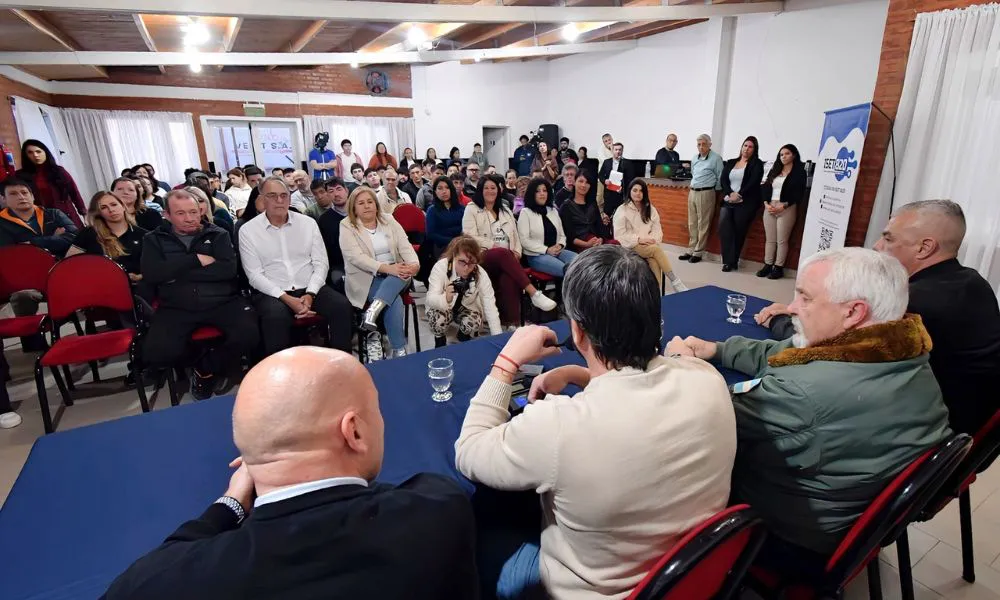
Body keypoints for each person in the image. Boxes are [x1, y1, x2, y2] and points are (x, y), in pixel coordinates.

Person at [456, 245, 736, 599]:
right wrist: (582, 375)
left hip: (590, 591)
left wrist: (506, 361)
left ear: (578, 332)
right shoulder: (707, 378)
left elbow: (468, 451)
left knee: (476, 533)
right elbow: (639, 400)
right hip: (686, 577)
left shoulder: (558, 425)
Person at [103, 346, 479, 600]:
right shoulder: (437, 510)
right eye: (375, 411)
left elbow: (158, 566)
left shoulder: (169, 581)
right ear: (354, 432)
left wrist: (231, 503)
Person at [667, 247, 951, 576]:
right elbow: (789, 352)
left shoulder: (803, 396)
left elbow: (704, 418)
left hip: (794, 536)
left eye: (805, 297)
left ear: (853, 312)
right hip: (856, 515)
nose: (791, 308)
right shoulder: (898, 347)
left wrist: (680, 364)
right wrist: (718, 349)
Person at [760, 200, 1000, 436]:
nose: (876, 246)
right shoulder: (974, 282)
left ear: (924, 248)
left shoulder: (912, 302)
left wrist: (780, 319)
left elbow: (823, 347)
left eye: (888, 238)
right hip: (969, 425)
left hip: (925, 431)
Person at [141, 189, 259, 400]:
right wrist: (195, 259)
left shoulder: (217, 234)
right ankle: (198, 361)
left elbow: (226, 270)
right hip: (177, 305)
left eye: (194, 212)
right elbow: (153, 273)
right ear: (167, 215)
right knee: (157, 352)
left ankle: (206, 367)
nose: (189, 219)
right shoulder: (154, 239)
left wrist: (175, 274)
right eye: (181, 213)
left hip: (222, 301)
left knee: (250, 333)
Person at [239, 177, 353, 356]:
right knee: (275, 317)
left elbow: (321, 263)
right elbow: (254, 275)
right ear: (262, 199)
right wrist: (286, 298)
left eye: (284, 195)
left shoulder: (307, 223)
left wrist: (310, 293)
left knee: (341, 306)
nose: (279, 200)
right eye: (272, 195)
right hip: (273, 292)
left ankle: (340, 364)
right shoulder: (248, 230)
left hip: (310, 287)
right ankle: (282, 374)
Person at [463, 174, 557, 327]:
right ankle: (534, 293)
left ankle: (511, 325)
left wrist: (517, 253)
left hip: (507, 259)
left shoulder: (505, 209)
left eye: (493, 188)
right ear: (480, 190)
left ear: (499, 190)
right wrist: (494, 245)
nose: (490, 191)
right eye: (486, 188)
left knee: (508, 277)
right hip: (482, 256)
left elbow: (516, 236)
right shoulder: (472, 209)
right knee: (502, 253)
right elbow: (468, 236)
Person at [339, 187, 419, 361]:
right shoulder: (346, 225)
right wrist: (388, 268)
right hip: (366, 277)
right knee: (394, 301)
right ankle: (400, 351)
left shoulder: (389, 220)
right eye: (361, 203)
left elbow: (405, 246)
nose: (367, 206)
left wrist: (414, 265)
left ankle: (371, 314)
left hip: (399, 273)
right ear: (354, 208)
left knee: (399, 276)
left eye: (370, 202)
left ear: (376, 204)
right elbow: (356, 257)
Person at [614, 179, 687, 294]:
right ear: (629, 192)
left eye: (641, 191)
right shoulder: (622, 210)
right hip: (630, 245)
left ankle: (655, 295)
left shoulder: (650, 209)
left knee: (654, 260)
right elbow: (619, 235)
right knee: (655, 250)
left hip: (648, 246)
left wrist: (651, 240)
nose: (638, 193)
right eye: (635, 190)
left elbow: (657, 230)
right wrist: (639, 239)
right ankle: (675, 281)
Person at [426, 236, 502, 347]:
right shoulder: (440, 267)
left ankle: (463, 336)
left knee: (474, 322)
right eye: (462, 262)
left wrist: (498, 339)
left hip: (466, 307)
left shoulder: (481, 274)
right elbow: (430, 299)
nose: (466, 267)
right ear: (454, 256)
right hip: (444, 307)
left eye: (471, 263)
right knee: (437, 321)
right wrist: (446, 298)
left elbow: (490, 306)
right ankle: (439, 339)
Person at [66, 191, 146, 281]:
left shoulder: (143, 235)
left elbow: (155, 270)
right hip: (98, 286)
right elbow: (69, 264)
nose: (111, 210)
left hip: (136, 288)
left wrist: (139, 277)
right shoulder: (88, 233)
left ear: (123, 206)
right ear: (99, 213)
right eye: (104, 207)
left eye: (114, 204)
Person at [757, 144, 806, 280]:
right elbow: (765, 187)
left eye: (787, 154)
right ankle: (767, 265)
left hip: (786, 207)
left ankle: (778, 267)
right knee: (770, 239)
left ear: (794, 155)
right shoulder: (775, 170)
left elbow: (798, 193)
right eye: (781, 154)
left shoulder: (799, 172)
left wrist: (783, 206)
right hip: (770, 206)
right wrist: (766, 203)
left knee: (782, 240)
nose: (784, 156)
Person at [15, 139, 86, 229]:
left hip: (67, 215)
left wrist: (84, 213)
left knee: (80, 240)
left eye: (38, 151)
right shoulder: (20, 176)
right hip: (42, 219)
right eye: (30, 152)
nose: (35, 155)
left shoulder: (59, 171)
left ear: (45, 152)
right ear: (25, 156)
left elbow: (74, 193)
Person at [718, 136, 765, 272]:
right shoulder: (732, 162)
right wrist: (730, 194)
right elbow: (724, 180)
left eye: (750, 147)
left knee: (739, 231)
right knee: (724, 228)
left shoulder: (757, 164)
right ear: (741, 147)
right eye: (745, 145)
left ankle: (733, 261)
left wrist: (739, 195)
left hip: (745, 202)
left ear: (754, 149)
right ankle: (727, 260)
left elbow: (754, 181)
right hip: (729, 200)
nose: (747, 149)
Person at [0, 178, 77, 256]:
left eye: (24, 193)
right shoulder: (2, 224)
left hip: (64, 263)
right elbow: (12, 254)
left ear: (32, 196)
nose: (21, 197)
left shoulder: (54, 214)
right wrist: (54, 239)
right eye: (13, 194)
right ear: (3, 199)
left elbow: (75, 238)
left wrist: (34, 242)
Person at [517, 178, 577, 277]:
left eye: (544, 190)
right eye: (538, 191)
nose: (542, 193)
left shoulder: (553, 211)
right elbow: (524, 240)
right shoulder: (525, 212)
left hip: (558, 251)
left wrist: (560, 245)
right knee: (568, 270)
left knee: (581, 263)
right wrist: (546, 250)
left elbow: (562, 235)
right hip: (536, 255)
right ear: (532, 194)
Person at [679, 134, 723, 264]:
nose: (701, 147)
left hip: (706, 192)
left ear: (710, 145)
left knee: (703, 223)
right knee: (692, 222)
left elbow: (720, 176)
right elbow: (693, 173)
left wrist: (715, 193)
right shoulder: (694, 158)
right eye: (699, 144)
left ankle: (698, 252)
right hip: (693, 191)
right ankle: (691, 249)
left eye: (704, 144)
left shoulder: (716, 158)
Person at [559, 172, 612, 252]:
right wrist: (587, 244)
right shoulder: (566, 206)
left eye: (587, 182)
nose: (584, 185)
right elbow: (569, 236)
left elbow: (600, 228)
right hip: (578, 245)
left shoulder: (592, 204)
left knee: (615, 245)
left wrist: (600, 239)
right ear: (574, 182)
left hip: (596, 241)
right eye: (581, 181)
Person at [317, 178, 351, 289]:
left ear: (346, 190)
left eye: (339, 189)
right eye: (331, 191)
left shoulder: (359, 213)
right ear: (327, 195)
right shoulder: (324, 220)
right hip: (339, 266)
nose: (336, 194)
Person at [425, 176, 466, 259]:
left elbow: (466, 228)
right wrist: (452, 241)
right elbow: (431, 234)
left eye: (447, 188)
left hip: (462, 245)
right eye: (440, 188)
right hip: (442, 247)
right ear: (435, 192)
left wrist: (460, 241)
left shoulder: (462, 209)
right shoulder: (432, 210)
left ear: (451, 190)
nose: (444, 191)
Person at [597, 141, 635, 220]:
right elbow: (600, 175)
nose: (618, 151)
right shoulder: (606, 162)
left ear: (622, 151)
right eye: (616, 149)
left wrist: (624, 189)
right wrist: (605, 181)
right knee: (607, 217)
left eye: (620, 150)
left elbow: (630, 179)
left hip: (620, 196)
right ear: (612, 151)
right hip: (608, 195)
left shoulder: (627, 163)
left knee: (620, 218)